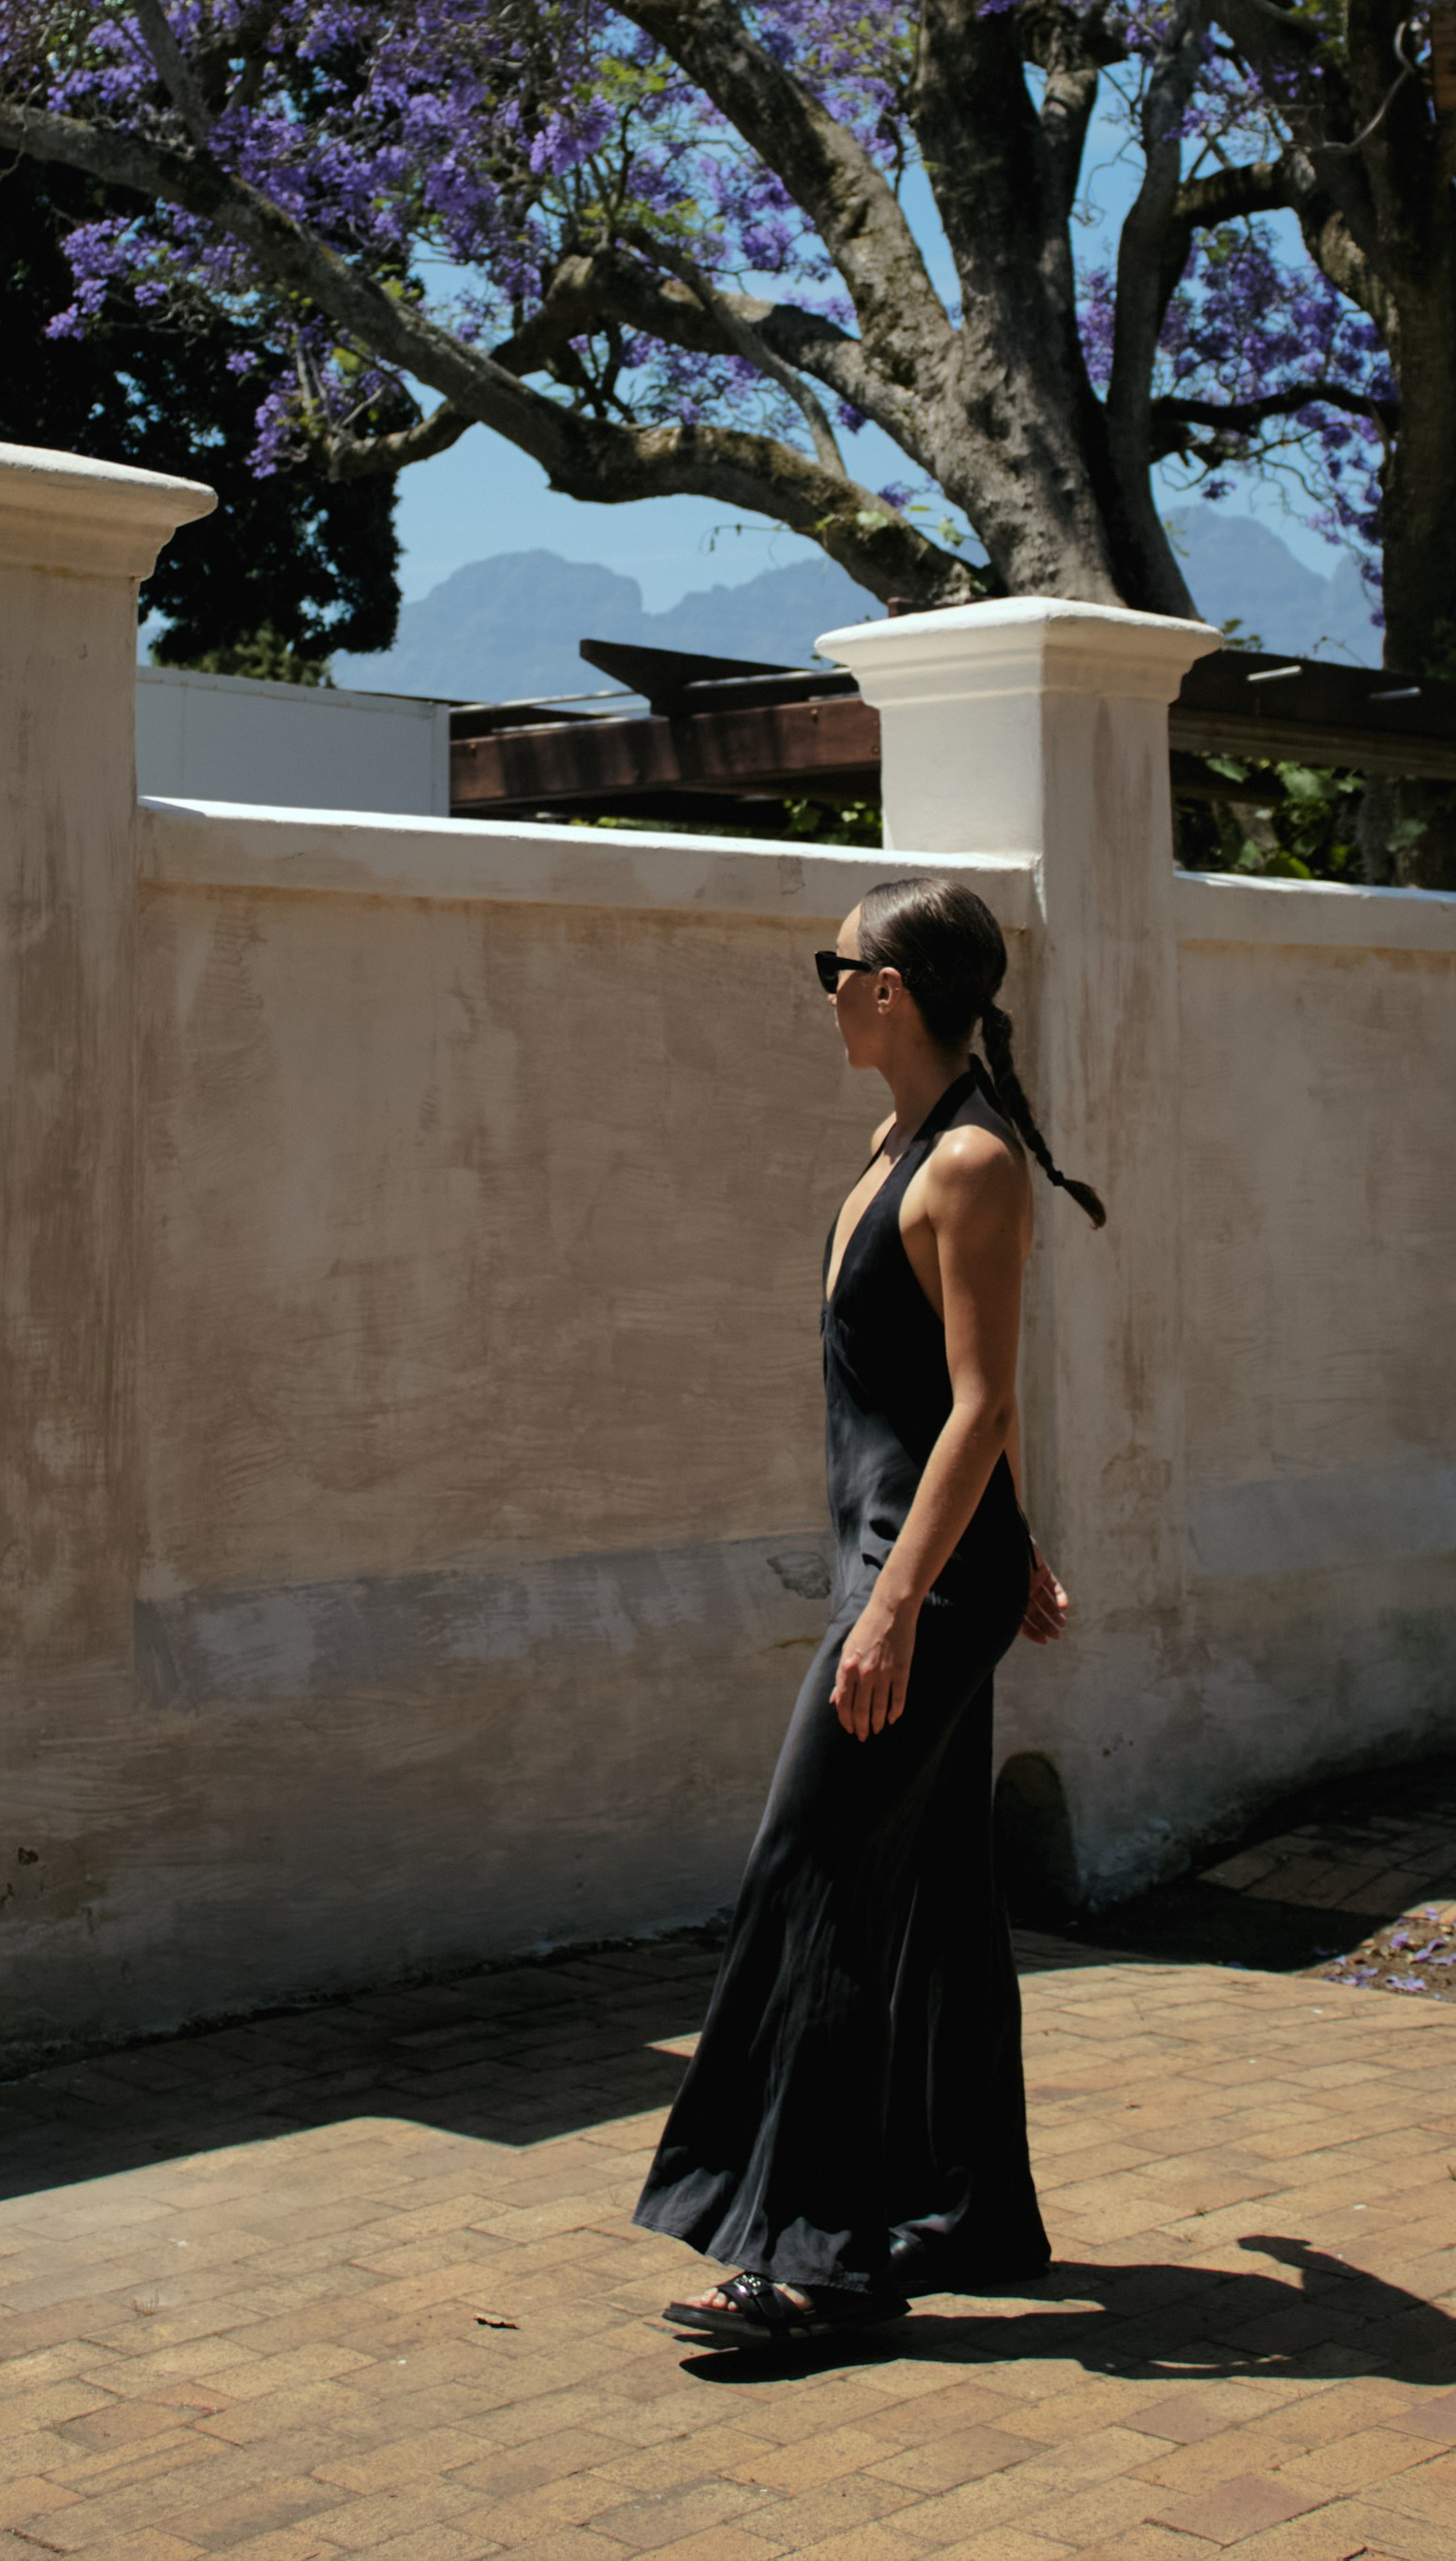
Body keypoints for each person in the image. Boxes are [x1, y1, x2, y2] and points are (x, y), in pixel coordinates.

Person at [635, 873, 1104, 2348]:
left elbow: (983, 1400)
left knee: (814, 1877)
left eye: (832, 966)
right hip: (924, 1568)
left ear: (889, 990)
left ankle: (816, 2260)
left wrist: (900, 1612)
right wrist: (1008, 1542)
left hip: (911, 1585)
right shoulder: (895, 1150)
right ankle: (970, 2207)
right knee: (941, 1897)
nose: (824, 988)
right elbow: (957, 1408)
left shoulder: (970, 1163)